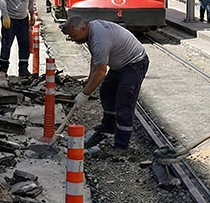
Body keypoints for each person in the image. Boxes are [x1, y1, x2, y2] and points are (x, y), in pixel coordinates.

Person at [62, 16, 149, 151]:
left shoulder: (99, 38)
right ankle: (109, 126)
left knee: (124, 103)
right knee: (107, 92)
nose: (73, 39)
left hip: (134, 64)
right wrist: (89, 80)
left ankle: (121, 145)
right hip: (120, 66)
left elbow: (101, 72)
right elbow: (96, 59)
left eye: (74, 36)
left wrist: (84, 94)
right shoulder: (91, 31)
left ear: (83, 28)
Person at [0, 0, 38, 77]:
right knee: (6, 44)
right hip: (10, 19)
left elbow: (30, 0)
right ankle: (3, 70)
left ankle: (23, 70)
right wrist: (5, 15)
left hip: (23, 19)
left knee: (24, 44)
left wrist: (32, 14)